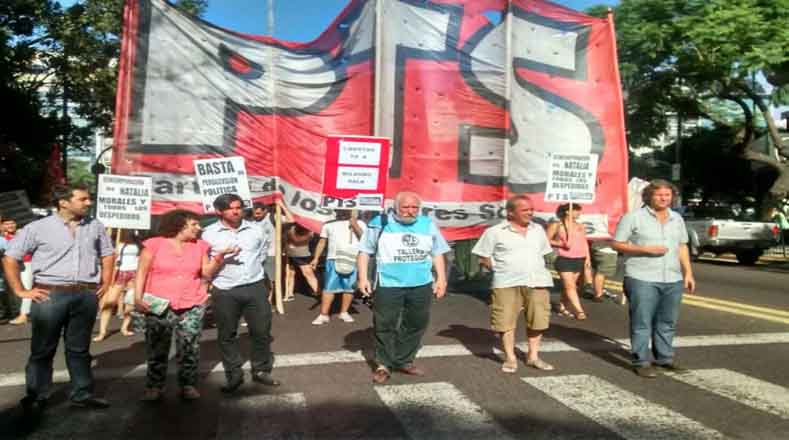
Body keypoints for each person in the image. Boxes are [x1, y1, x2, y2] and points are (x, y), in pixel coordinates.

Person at [1, 184, 115, 415]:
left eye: (88, 199)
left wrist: (106, 281)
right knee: (43, 349)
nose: (88, 202)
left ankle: (82, 394)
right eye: (82, 199)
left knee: (79, 349)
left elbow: (108, 253)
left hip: (85, 294)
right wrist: (21, 291)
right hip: (49, 294)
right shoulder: (37, 228)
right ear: (63, 202)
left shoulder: (95, 226)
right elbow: (10, 258)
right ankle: (37, 395)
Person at [134, 209, 234, 401]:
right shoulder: (154, 245)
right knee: (157, 348)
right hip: (159, 305)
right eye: (194, 224)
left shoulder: (201, 246)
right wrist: (138, 299)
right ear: (180, 226)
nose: (199, 227)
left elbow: (206, 273)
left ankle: (187, 385)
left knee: (189, 347)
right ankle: (155, 386)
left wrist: (219, 257)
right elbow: (141, 273)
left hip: (192, 304)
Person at [357, 191, 450, 384]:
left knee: (416, 323)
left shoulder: (427, 224)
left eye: (414, 207)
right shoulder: (380, 223)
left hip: (421, 283)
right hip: (389, 283)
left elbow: (437, 253)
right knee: (385, 324)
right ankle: (383, 364)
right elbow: (365, 252)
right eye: (405, 207)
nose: (410, 211)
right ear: (396, 208)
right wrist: (363, 278)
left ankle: (403, 360)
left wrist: (441, 279)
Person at [611, 179, 696, 378]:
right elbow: (617, 244)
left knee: (667, 321)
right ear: (649, 196)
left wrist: (688, 273)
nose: (664, 198)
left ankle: (664, 359)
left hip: (672, 278)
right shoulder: (633, 217)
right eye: (659, 194)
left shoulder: (677, 219)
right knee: (642, 321)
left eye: (667, 195)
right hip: (642, 277)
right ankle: (641, 360)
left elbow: (682, 246)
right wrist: (644, 249)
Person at [202, 194, 281, 393]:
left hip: (255, 287)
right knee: (227, 334)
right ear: (219, 211)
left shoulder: (256, 230)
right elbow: (204, 264)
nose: (236, 211)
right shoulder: (208, 234)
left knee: (261, 331)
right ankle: (234, 375)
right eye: (230, 208)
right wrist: (221, 259)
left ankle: (261, 370)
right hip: (225, 289)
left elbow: (262, 253)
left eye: (238, 207)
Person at [472, 195, 555, 373]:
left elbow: (543, 252)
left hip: (538, 281)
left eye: (531, 209)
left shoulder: (538, 229)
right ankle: (510, 358)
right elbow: (483, 256)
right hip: (506, 283)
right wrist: (500, 268)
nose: (530, 213)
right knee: (505, 322)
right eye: (525, 210)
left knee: (538, 320)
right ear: (510, 212)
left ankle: (533, 357)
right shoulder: (494, 232)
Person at [310, 209, 366, 325]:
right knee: (329, 287)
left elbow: (365, 240)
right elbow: (322, 242)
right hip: (333, 259)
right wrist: (316, 258)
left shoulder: (360, 223)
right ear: (336, 209)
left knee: (349, 288)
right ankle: (324, 314)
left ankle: (344, 312)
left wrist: (355, 225)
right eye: (340, 208)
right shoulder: (328, 224)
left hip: (352, 258)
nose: (343, 210)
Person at [94, 230, 140, 341]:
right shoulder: (115, 241)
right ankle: (102, 332)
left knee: (130, 304)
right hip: (120, 273)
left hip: (134, 273)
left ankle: (124, 327)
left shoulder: (138, 242)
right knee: (109, 302)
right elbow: (110, 259)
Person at [546, 203, 590, 320]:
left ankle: (562, 306)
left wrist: (588, 258)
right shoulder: (557, 225)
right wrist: (560, 244)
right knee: (570, 286)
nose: (579, 213)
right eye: (576, 210)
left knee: (569, 286)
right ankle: (580, 311)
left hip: (579, 258)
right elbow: (546, 239)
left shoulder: (580, 226)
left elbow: (584, 242)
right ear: (567, 211)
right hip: (564, 259)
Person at [250, 199, 293, 302]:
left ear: (265, 211)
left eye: (258, 213)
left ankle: (269, 301)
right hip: (256, 255)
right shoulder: (252, 221)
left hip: (271, 254)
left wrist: (282, 205)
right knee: (259, 279)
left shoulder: (273, 217)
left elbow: (291, 220)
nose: (256, 216)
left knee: (270, 279)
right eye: (254, 214)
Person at [1, 216, 32, 325]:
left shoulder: (21, 234)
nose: (10, 226)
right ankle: (20, 312)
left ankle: (24, 314)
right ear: (2, 226)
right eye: (7, 224)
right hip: (10, 266)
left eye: (12, 223)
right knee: (14, 290)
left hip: (26, 263)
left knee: (26, 287)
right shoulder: (2, 238)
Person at [583, 238, 624, 305]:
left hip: (595, 246)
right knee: (601, 272)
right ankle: (598, 295)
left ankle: (591, 289)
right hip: (606, 250)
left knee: (597, 270)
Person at [285, 222, 319, 300]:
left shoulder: (293, 228)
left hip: (300, 254)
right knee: (291, 273)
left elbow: (296, 239)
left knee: (307, 273)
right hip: (292, 253)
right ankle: (289, 293)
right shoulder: (307, 229)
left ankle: (318, 291)